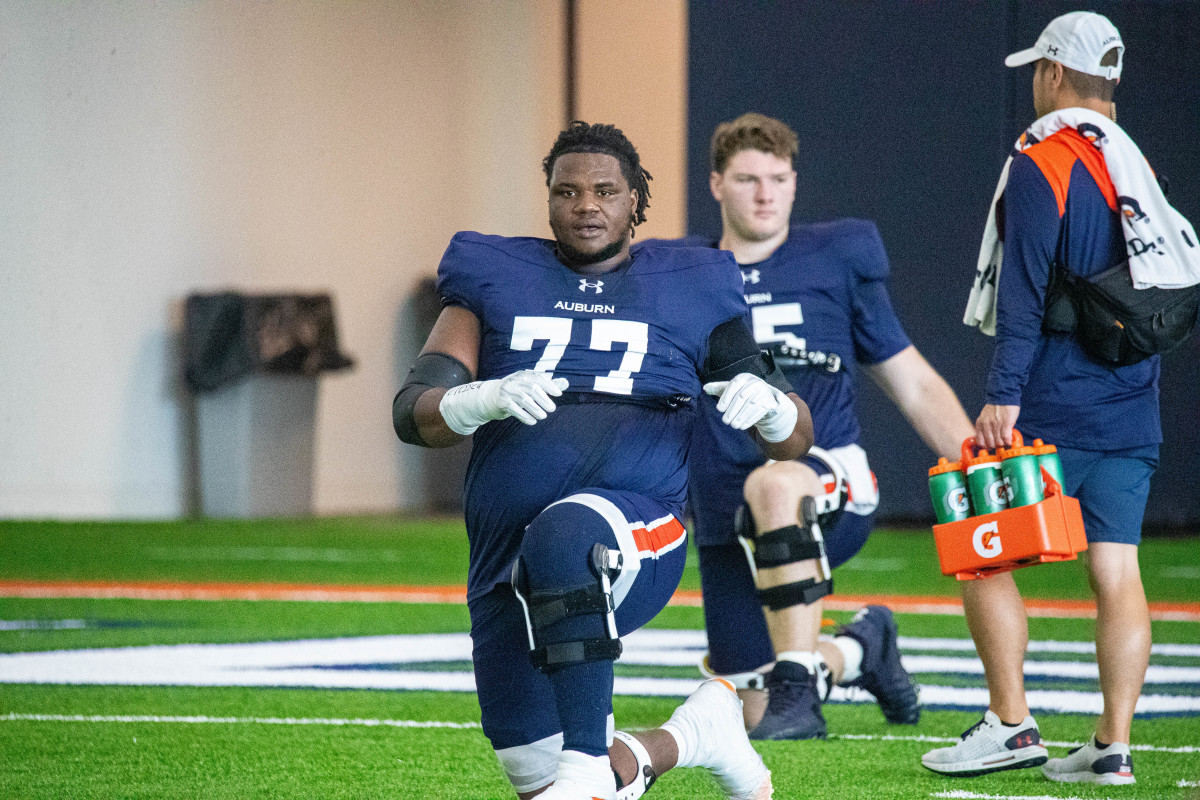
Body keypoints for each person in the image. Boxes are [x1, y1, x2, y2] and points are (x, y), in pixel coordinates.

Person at [393, 120, 813, 800]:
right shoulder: (493, 273)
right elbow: (414, 412)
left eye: (604, 191)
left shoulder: (696, 282)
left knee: (568, 535)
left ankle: (588, 761)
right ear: (549, 200)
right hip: (504, 551)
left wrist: (768, 405)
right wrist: (481, 398)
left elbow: (795, 435)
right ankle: (699, 732)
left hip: (635, 526)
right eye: (568, 192)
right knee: (534, 775)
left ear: (635, 201)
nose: (586, 205)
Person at [924, 11, 1195, 785]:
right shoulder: (1134, 160)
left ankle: (1010, 724)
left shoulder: (1045, 156)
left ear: (1051, 73)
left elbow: (1026, 287)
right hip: (1132, 401)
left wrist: (1002, 392)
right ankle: (1112, 746)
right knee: (1118, 568)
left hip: (1052, 397)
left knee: (978, 548)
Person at [645, 113, 975, 741]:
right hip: (720, 502)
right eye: (747, 179)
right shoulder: (682, 273)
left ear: (795, 183)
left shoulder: (834, 259)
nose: (765, 194)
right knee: (749, 708)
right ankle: (861, 648)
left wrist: (973, 464)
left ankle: (802, 692)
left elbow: (913, 383)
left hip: (827, 481)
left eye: (778, 178)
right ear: (716, 184)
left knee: (774, 485)